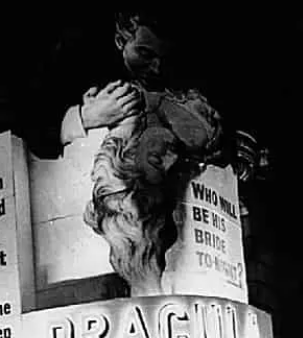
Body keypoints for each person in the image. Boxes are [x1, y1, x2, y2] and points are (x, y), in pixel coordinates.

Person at [59, 11, 225, 297]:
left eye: (162, 58)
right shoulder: (113, 94)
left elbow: (201, 136)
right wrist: (86, 117)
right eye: (145, 53)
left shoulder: (173, 102)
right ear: (121, 41)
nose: (156, 67)